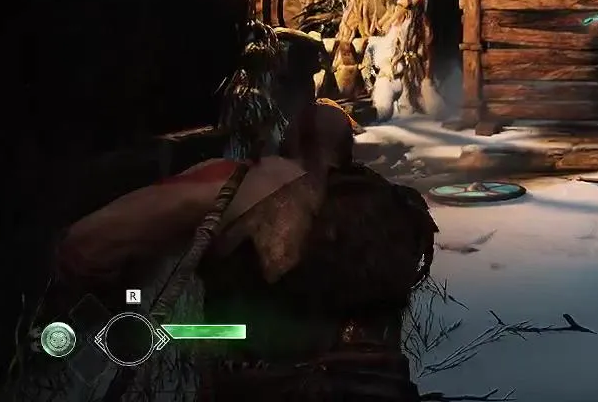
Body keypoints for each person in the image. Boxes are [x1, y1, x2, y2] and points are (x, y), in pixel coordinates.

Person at [56, 101, 438, 401]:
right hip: (382, 389)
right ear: (347, 148)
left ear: (287, 137)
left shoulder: (238, 180)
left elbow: (85, 245)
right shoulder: (391, 204)